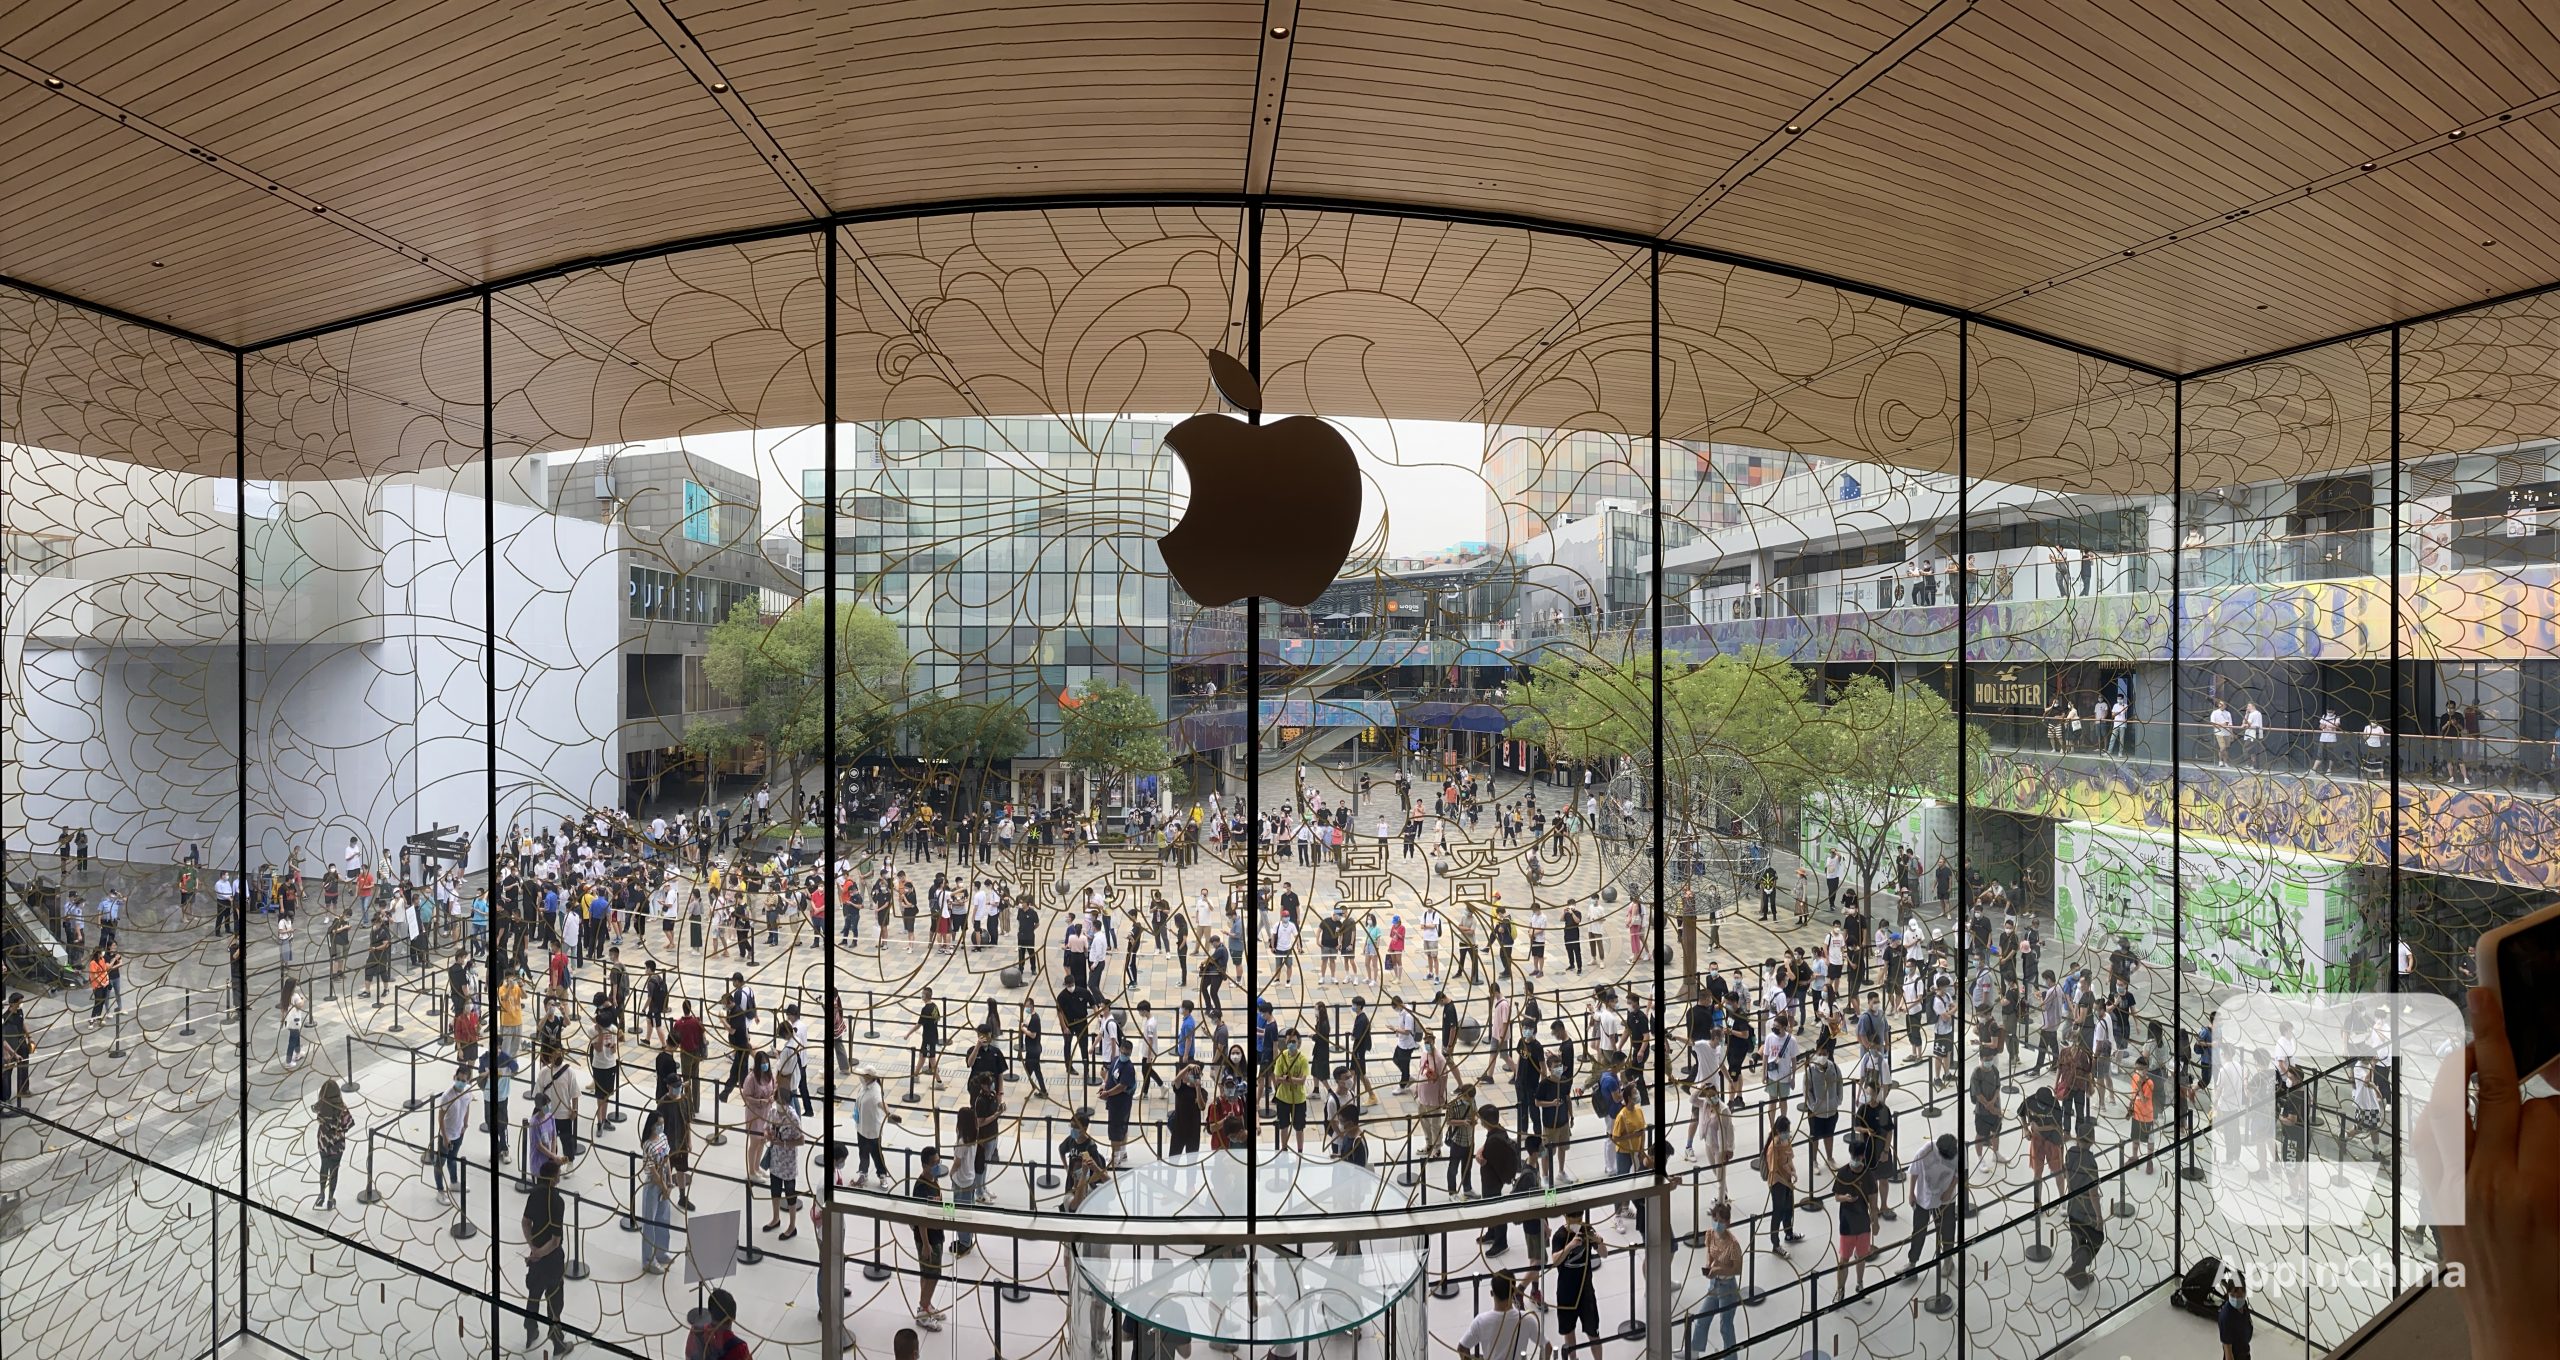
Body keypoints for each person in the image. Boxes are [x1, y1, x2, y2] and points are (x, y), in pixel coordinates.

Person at [521, 1163, 568, 1354]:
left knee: (534, 1294)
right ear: (553, 1178)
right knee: (554, 1299)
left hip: (536, 1258)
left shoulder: (534, 1194)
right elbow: (555, 1241)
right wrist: (541, 1253)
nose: (559, 1178)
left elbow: (525, 1222)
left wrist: (533, 1248)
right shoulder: (558, 1201)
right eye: (558, 1175)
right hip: (552, 1260)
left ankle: (530, 1329)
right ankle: (557, 1342)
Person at [1547, 1210, 1607, 1360]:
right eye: (1574, 1219)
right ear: (1565, 1217)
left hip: (1586, 1292)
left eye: (1580, 1219)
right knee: (1568, 1331)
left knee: (1593, 1332)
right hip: (1566, 1292)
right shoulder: (1559, 1236)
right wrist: (1570, 1246)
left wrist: (1599, 1241)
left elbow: (1604, 1254)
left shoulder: (1587, 1230)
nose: (1577, 1222)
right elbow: (1555, 1261)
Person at [1690, 1199, 1745, 1358]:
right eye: (1715, 1220)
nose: (1718, 1224)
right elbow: (1709, 1251)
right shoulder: (1710, 1234)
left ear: (1728, 1223)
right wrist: (1709, 1265)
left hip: (1728, 1288)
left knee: (1725, 1326)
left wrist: (1719, 1269)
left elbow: (1738, 1268)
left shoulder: (1733, 1244)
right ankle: (1693, 1352)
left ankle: (1731, 1357)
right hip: (1714, 1284)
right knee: (1702, 1318)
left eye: (1721, 1221)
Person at [1457, 1273, 1535, 1360]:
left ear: (1491, 1293)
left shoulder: (1481, 1321)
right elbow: (1547, 1347)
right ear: (1514, 1292)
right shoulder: (1526, 1318)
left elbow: (1462, 1348)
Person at [312, 1078, 354, 1209]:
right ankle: (330, 1199)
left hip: (323, 1142)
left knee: (324, 1166)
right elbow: (349, 1124)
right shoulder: (342, 1108)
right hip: (337, 1145)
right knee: (334, 1171)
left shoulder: (320, 1106)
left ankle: (321, 1194)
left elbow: (317, 1116)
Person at [686, 1287, 753, 1360]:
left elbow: (688, 1356)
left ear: (709, 1313)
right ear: (733, 1318)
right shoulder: (740, 1348)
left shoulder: (697, 1331)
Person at [2218, 1274, 2253, 1360]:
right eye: (2233, 1295)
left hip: (2245, 1352)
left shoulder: (2243, 1305)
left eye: (2240, 1294)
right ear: (2228, 1293)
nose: (2237, 1298)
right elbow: (2228, 1350)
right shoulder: (2226, 1317)